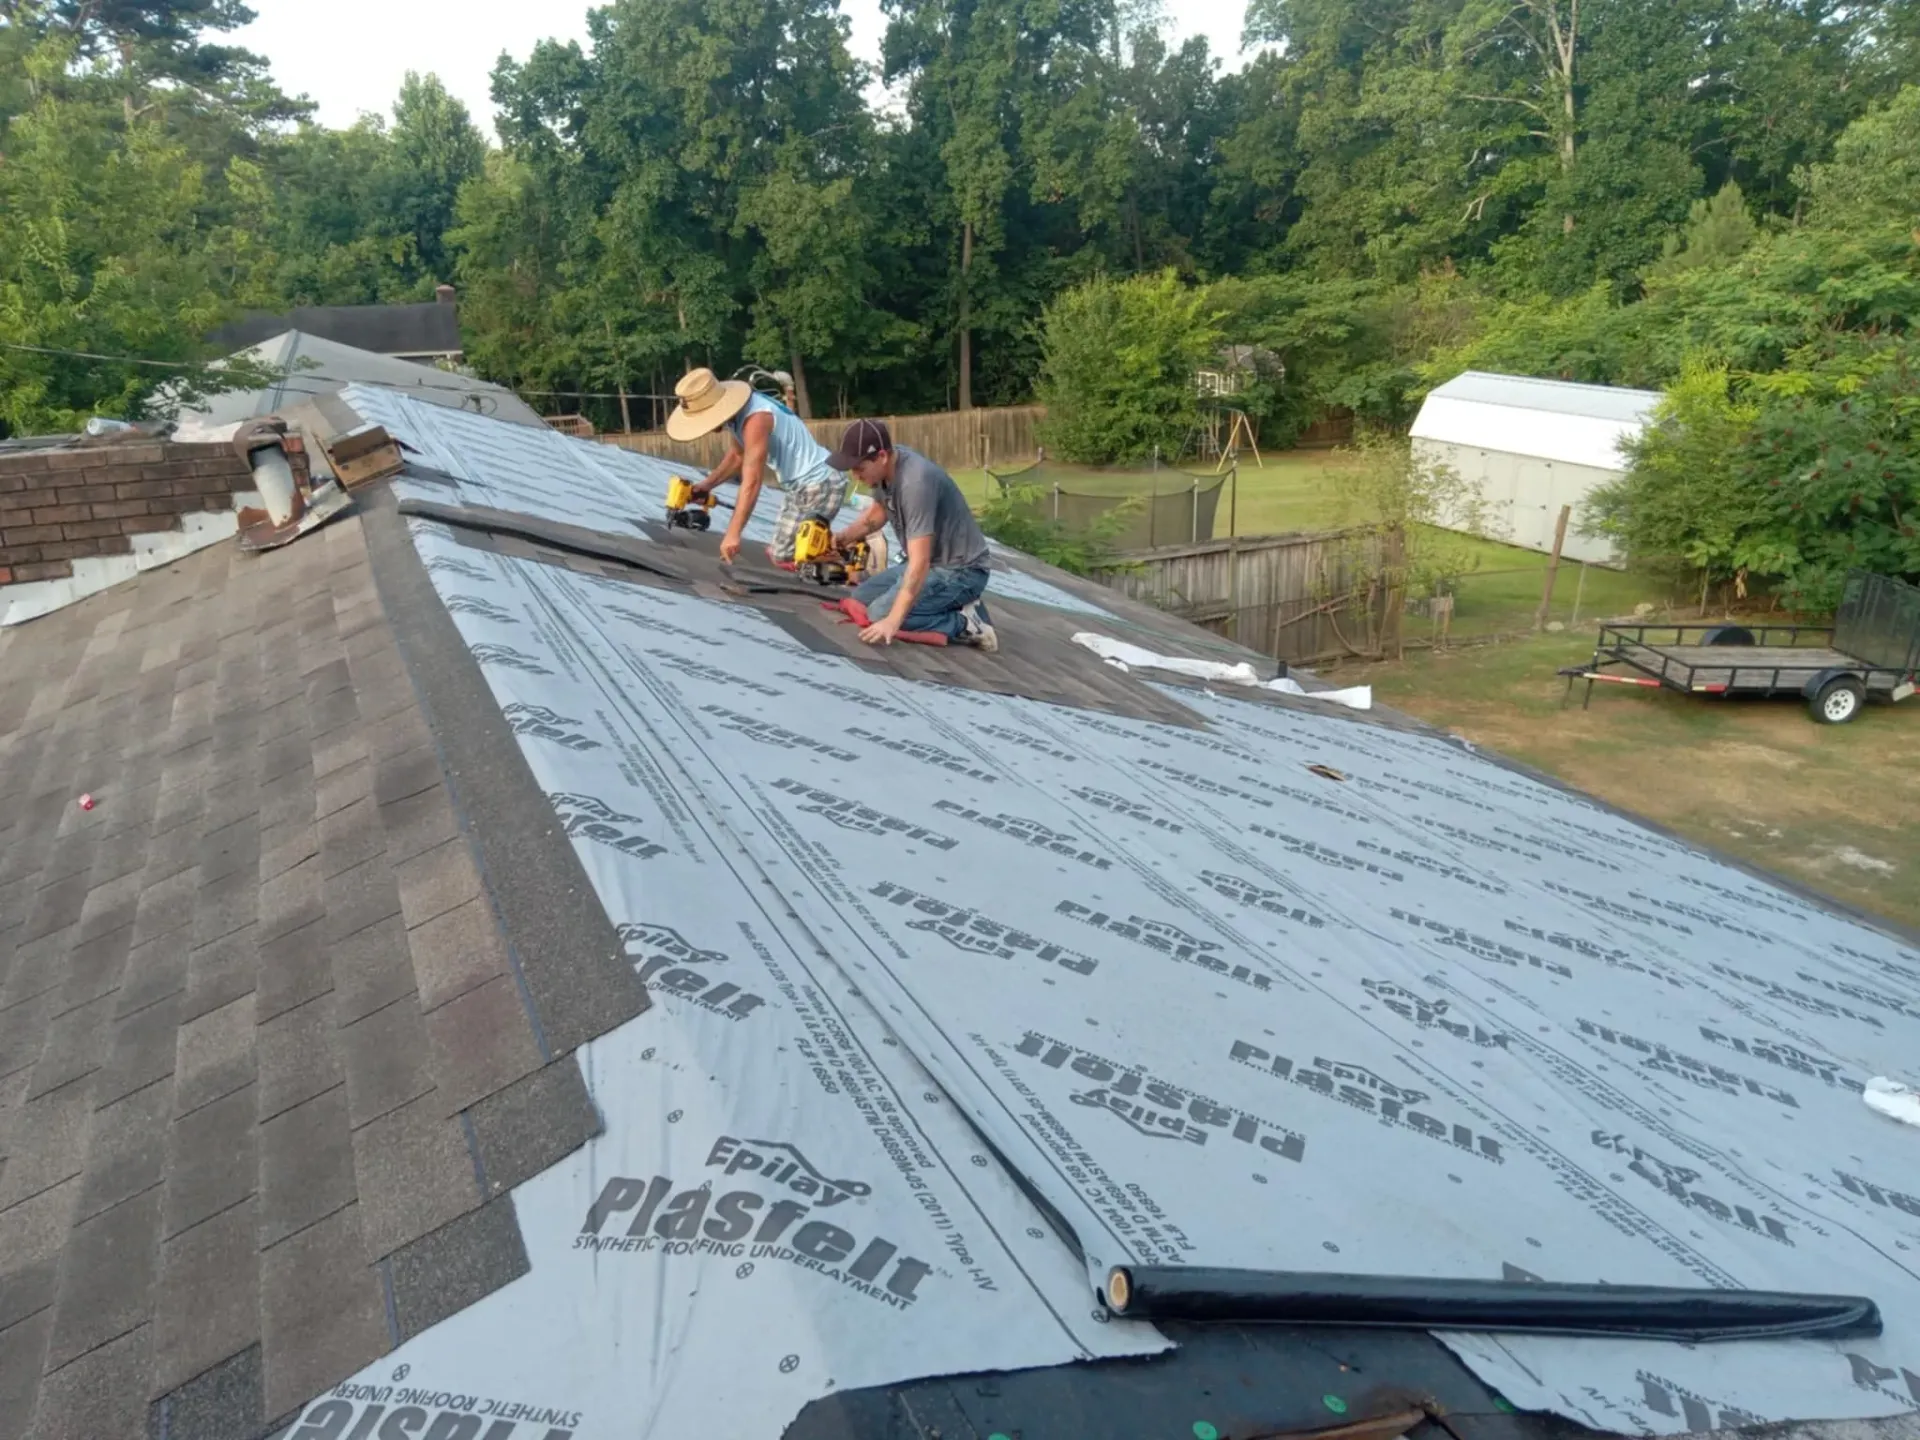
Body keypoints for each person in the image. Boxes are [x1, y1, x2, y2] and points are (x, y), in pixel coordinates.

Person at [824, 419, 998, 651]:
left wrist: (893, 622)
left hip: (961, 571)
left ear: (882, 456)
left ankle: (966, 622)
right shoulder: (888, 469)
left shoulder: (915, 483)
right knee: (860, 599)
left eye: (859, 468)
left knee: (879, 615)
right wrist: (839, 540)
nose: (855, 476)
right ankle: (944, 605)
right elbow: (875, 516)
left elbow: (919, 562)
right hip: (933, 564)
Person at [664, 366, 847, 566]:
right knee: (781, 553)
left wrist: (733, 533)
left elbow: (752, 481)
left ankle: (849, 557)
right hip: (799, 485)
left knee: (798, 554)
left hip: (821, 482)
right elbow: (736, 456)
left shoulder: (756, 419)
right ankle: (835, 549)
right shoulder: (738, 417)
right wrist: (706, 486)